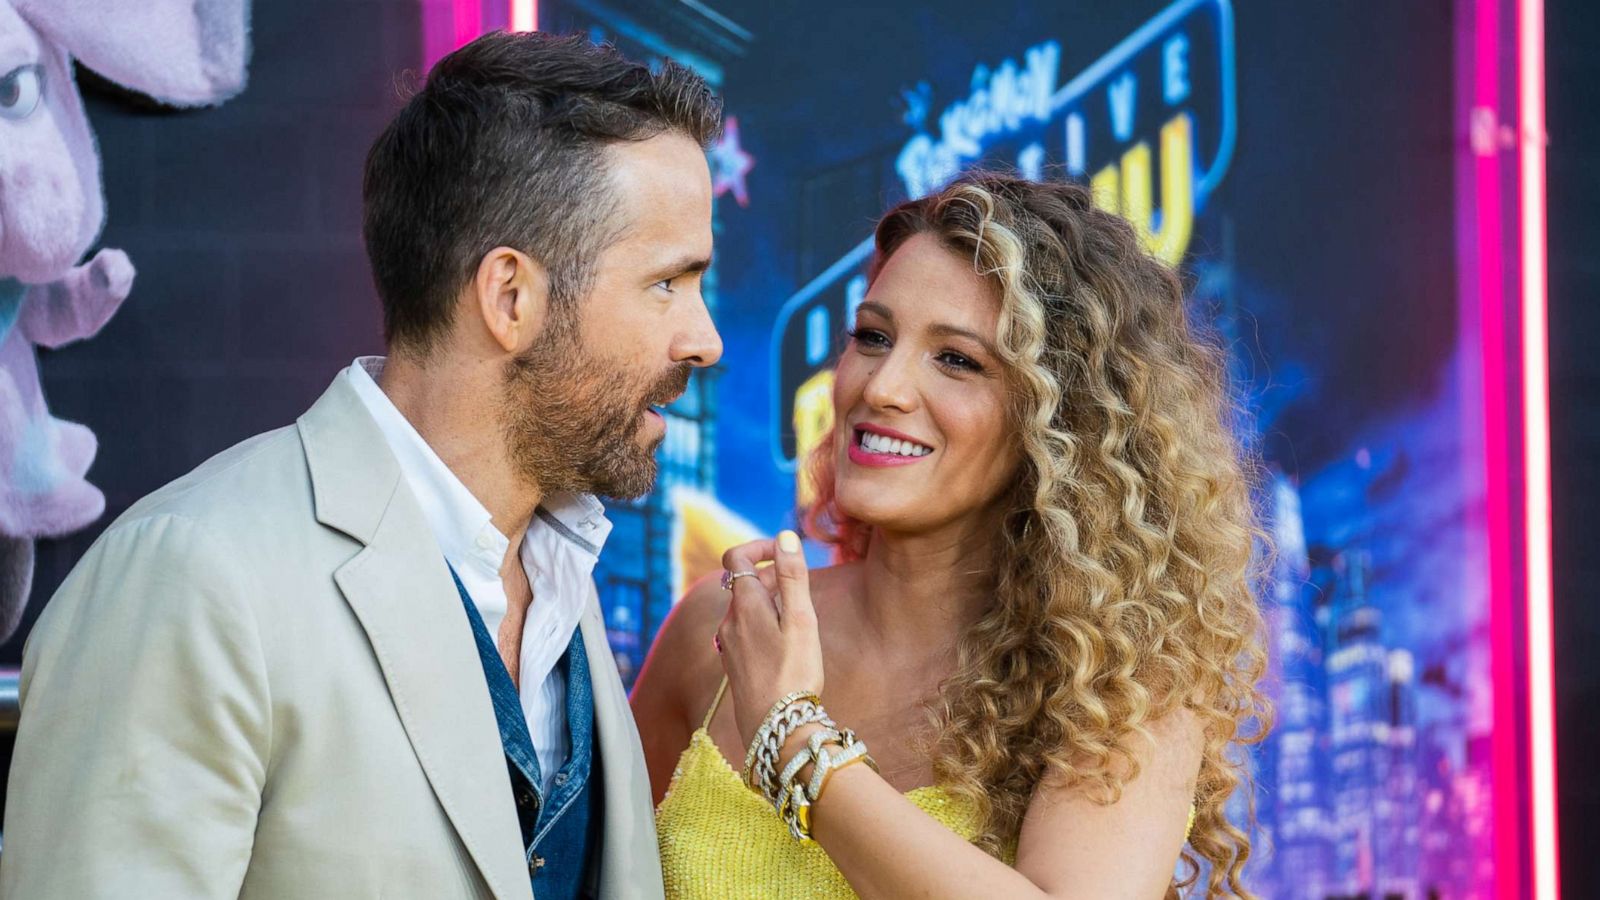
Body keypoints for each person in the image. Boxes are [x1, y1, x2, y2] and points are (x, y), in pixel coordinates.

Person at [2, 31, 722, 900]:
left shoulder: (561, 577)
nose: (705, 339)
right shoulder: (193, 575)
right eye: (667, 284)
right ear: (511, 298)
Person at [634, 172, 1268, 899]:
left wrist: (793, 737)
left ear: (1063, 424)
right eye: (873, 337)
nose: (882, 387)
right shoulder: (724, 629)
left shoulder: (1114, 689)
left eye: (957, 360)